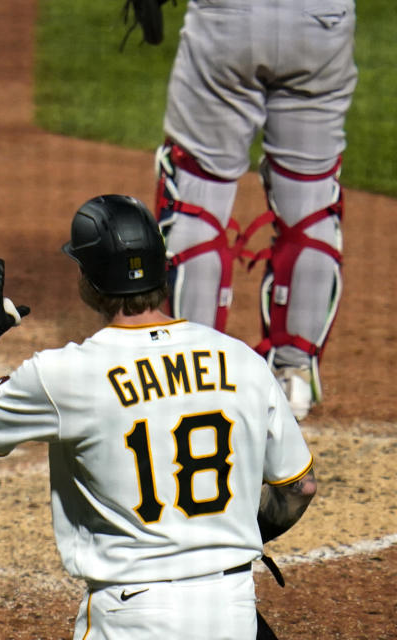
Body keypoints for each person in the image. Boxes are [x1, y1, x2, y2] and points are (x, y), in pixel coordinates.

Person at [0, 195, 317, 639]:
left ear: (88, 279)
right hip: (231, 607)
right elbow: (299, 487)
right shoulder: (241, 360)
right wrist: (220, 538)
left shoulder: (68, 373)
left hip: (133, 615)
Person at [153, 0, 358, 419]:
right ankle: (294, 377)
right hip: (321, 20)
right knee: (311, 200)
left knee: (198, 196)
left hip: (228, 18)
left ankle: (193, 381)